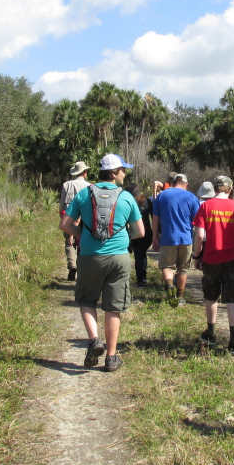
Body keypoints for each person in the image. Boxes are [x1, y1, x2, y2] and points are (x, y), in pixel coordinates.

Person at [59, 154, 143, 372]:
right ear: (114, 173)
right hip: (119, 259)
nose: (125, 173)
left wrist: (81, 235)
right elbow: (140, 232)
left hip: (89, 256)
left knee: (87, 300)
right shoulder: (126, 198)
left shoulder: (84, 195)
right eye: (123, 170)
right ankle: (112, 357)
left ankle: (95, 340)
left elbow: (65, 224)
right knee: (113, 308)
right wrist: (121, 238)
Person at [192, 175, 234, 354]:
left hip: (211, 259)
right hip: (233, 259)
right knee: (233, 299)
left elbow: (200, 236)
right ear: (230, 189)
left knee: (211, 296)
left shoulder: (206, 207)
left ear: (216, 189)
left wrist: (196, 255)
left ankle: (210, 332)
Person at [152, 173, 200, 306]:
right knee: (182, 269)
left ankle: (169, 287)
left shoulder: (162, 196)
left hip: (168, 238)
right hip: (186, 239)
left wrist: (154, 236)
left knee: (167, 267)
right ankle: (180, 297)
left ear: (173, 182)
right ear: (186, 184)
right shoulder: (192, 197)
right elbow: (197, 222)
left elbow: (155, 218)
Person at [59, 161, 90, 281]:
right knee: (82, 243)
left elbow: (62, 205)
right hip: (83, 218)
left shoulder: (66, 185)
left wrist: (63, 218)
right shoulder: (88, 186)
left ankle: (72, 265)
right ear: (84, 173)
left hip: (68, 217)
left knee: (69, 242)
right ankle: (81, 269)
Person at [127, 184, 153, 287]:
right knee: (141, 255)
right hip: (147, 233)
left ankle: (141, 279)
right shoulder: (148, 201)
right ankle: (142, 278)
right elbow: (154, 217)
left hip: (135, 232)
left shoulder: (130, 203)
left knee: (139, 256)